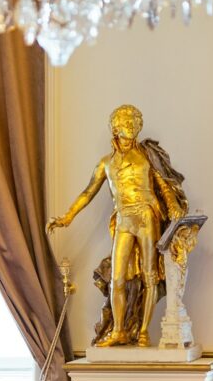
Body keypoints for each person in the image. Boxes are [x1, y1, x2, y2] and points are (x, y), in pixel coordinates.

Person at [47, 104, 186, 346]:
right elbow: (88, 192)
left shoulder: (147, 156)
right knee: (117, 278)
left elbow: (163, 185)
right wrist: (67, 217)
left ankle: (143, 332)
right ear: (115, 127)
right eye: (125, 122)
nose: (130, 125)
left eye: (134, 121)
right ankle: (119, 330)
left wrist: (173, 204)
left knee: (150, 275)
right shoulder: (106, 163)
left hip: (146, 216)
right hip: (123, 219)